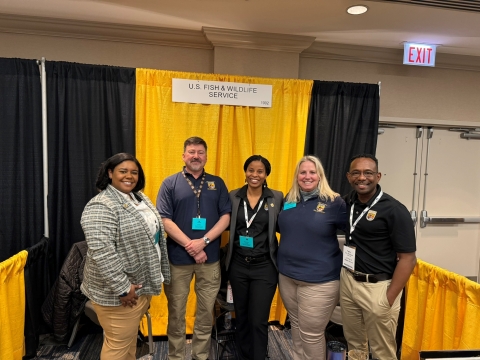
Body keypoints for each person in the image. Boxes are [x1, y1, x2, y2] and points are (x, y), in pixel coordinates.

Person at [80, 153, 170, 360]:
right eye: (123, 171)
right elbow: (102, 252)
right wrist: (122, 288)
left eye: (134, 172)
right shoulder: (101, 205)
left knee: (128, 342)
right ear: (110, 173)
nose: (129, 176)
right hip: (119, 295)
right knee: (118, 348)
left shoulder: (138, 197)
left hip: (139, 286)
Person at [156, 136, 231, 360]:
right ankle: (176, 356)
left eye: (200, 152)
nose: (196, 156)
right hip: (178, 259)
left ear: (206, 156)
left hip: (209, 259)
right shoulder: (170, 183)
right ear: (183, 156)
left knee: (206, 312)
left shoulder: (217, 183)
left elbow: (225, 217)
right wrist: (191, 246)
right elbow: (164, 220)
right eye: (191, 152)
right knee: (176, 312)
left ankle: (201, 356)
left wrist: (204, 242)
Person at [341, 153, 417, 360]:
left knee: (382, 350)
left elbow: (408, 259)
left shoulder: (394, 210)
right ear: (349, 177)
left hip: (379, 287)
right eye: (356, 173)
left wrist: (388, 298)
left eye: (368, 173)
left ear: (378, 176)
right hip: (349, 281)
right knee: (355, 343)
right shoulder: (348, 203)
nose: (362, 177)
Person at [277, 155, 346, 360]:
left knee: (311, 335)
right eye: (303, 172)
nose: (307, 176)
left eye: (312, 172)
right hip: (287, 276)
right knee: (296, 326)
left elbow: (356, 233)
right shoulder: (289, 200)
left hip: (319, 280)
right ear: (297, 176)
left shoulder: (334, 202)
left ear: (320, 175)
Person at [225, 155, 283, 360]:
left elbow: (284, 226)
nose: (254, 175)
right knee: (241, 316)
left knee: (258, 319)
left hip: (265, 267)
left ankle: (259, 356)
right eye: (251, 170)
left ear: (266, 174)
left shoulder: (276, 197)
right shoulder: (233, 196)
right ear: (245, 172)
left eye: (260, 171)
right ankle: (244, 354)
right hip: (238, 265)